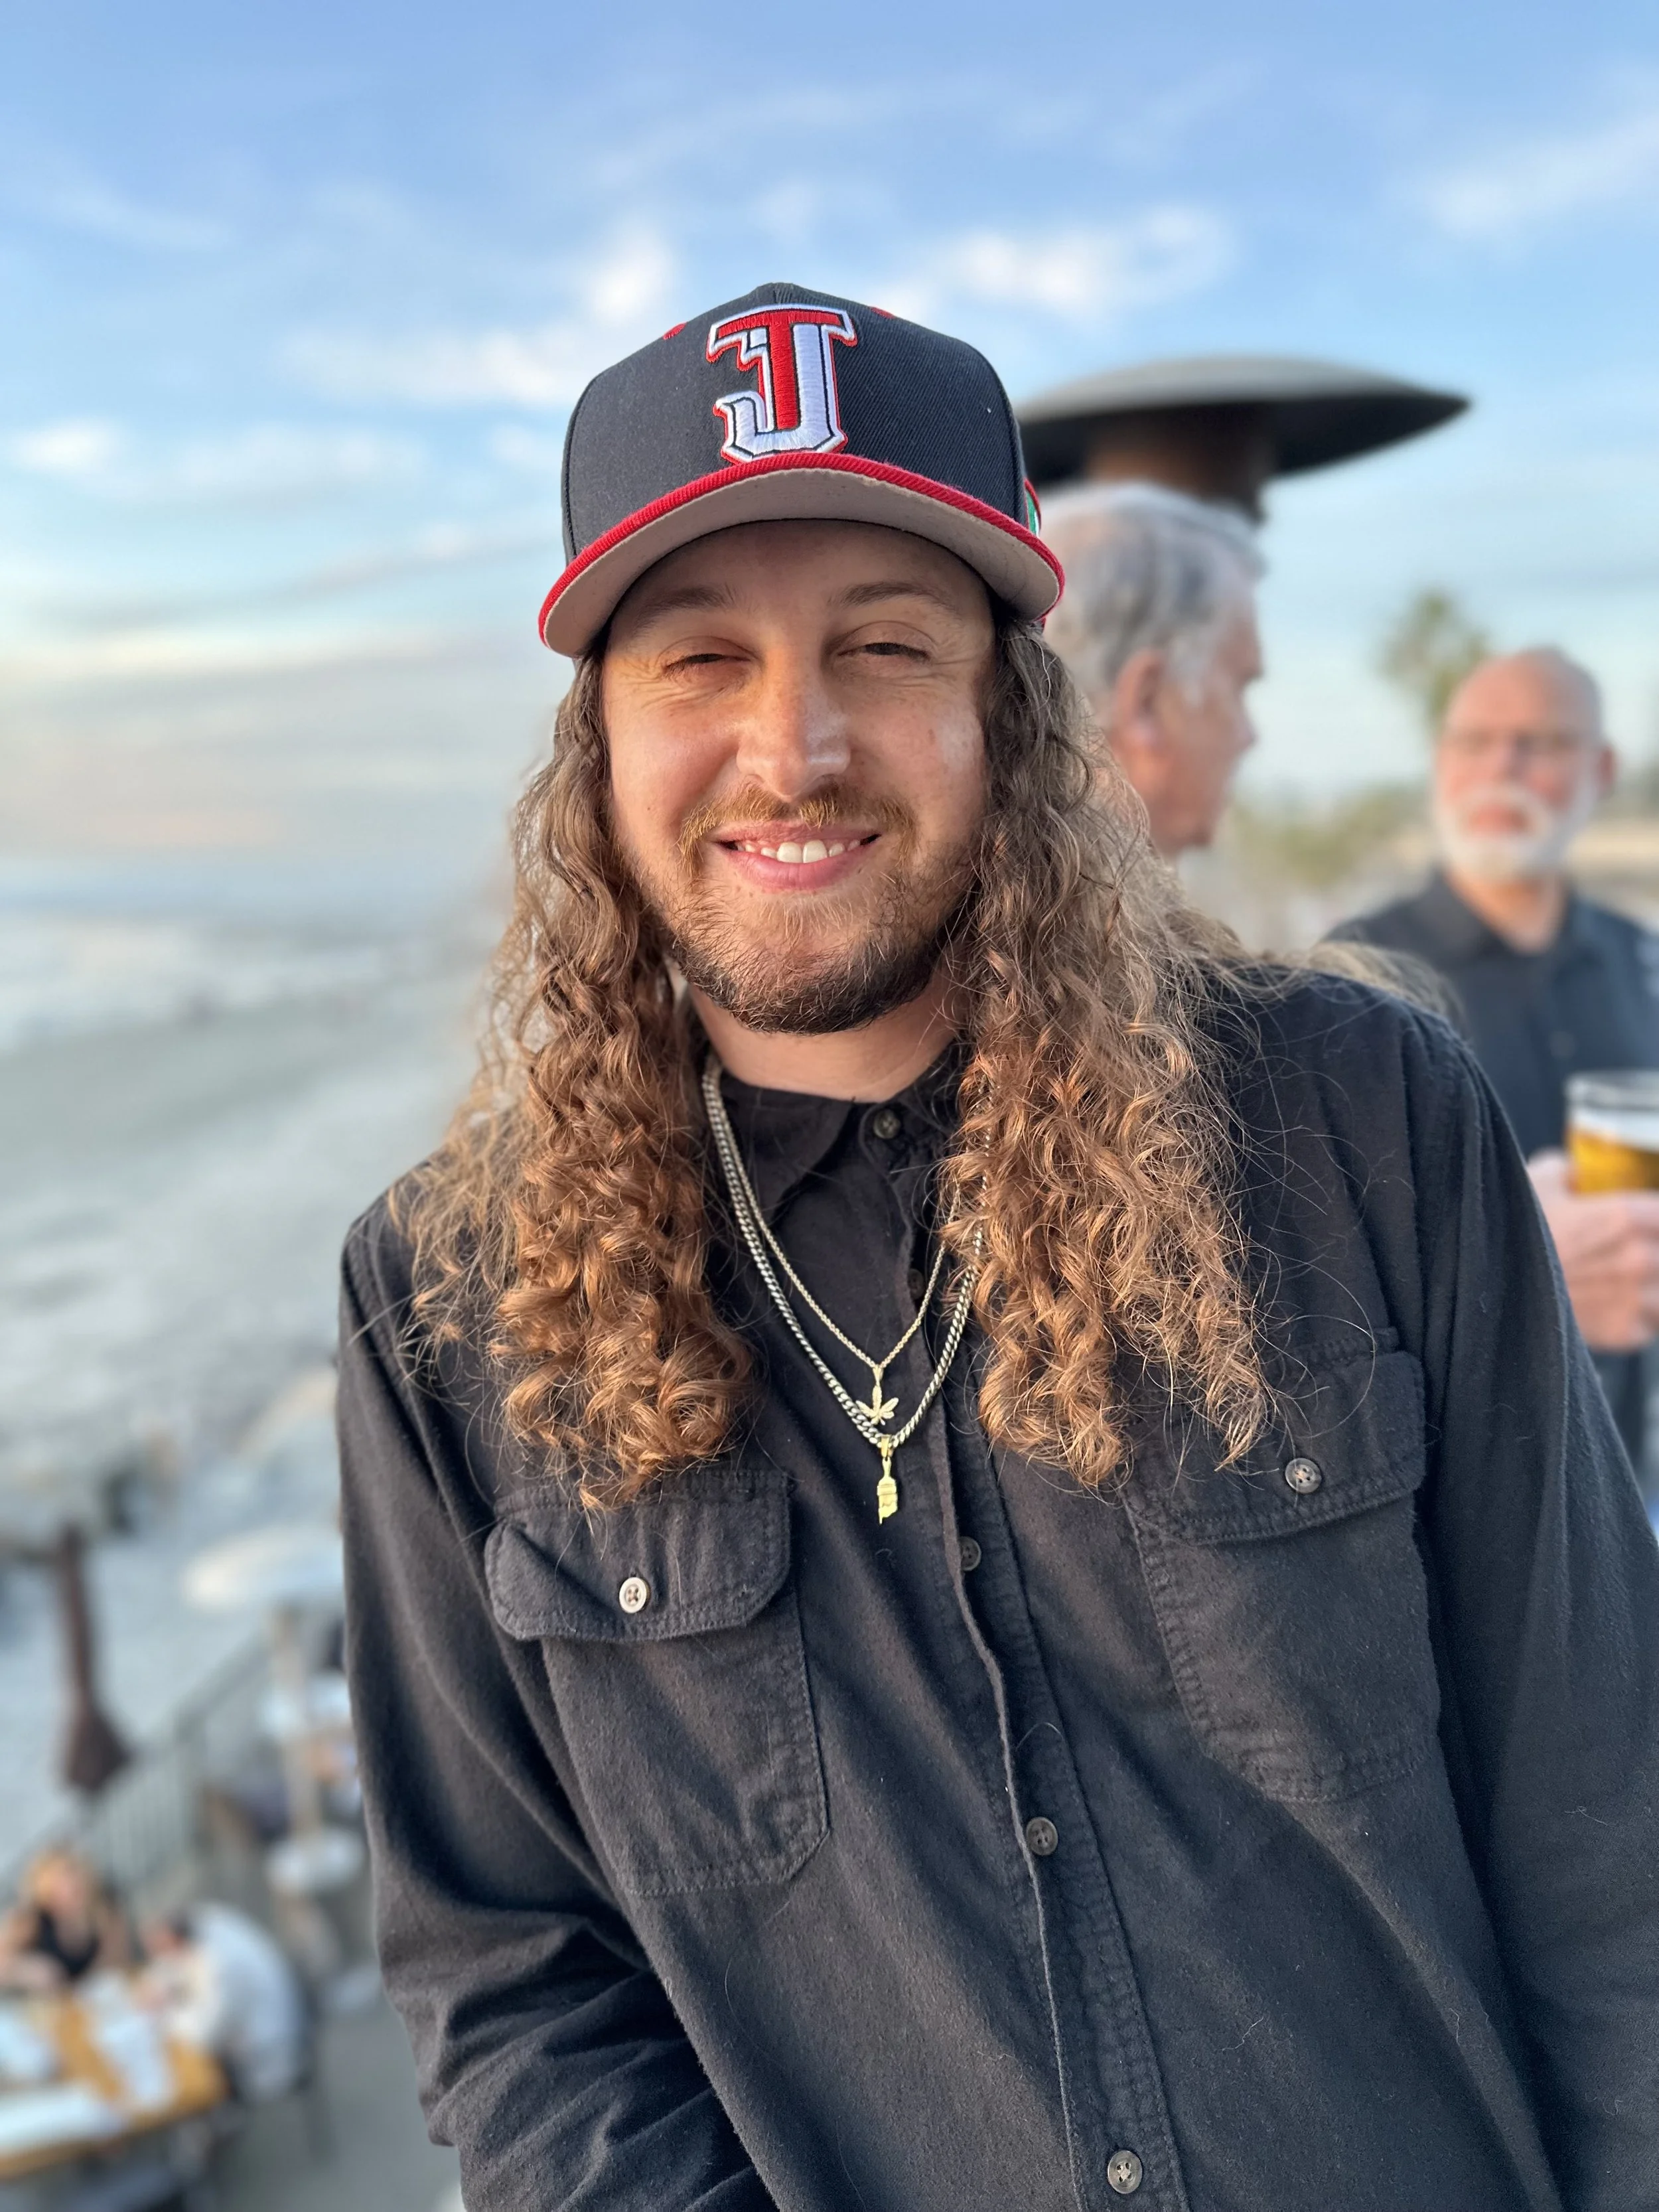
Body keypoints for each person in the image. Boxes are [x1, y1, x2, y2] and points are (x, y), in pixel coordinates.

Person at [338, 282, 1659, 2211]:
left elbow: (1601, 1817)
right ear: (595, 746)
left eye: (877, 644)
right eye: (698, 659)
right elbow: (517, 1985)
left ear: (1001, 704)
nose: (790, 747)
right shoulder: (442, 1314)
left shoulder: (1358, 1118)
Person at [1338, 647, 1659, 1487]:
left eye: (1536, 744)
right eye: (1473, 741)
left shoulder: (1640, 963)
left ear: (1602, 769)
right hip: (1458, 1495)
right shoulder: (1347, 977)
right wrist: (1532, 1290)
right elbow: (1321, 1275)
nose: (1497, 770)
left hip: (1629, 1473)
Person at [1041, 483, 1263, 857]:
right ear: (1144, 701)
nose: (1248, 736)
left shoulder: (992, 892)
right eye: (1238, 688)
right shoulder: (1098, 912)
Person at [139, 1902, 307, 2103]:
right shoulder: (205, 1923)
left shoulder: (223, 1964)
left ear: (175, 1939)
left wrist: (165, 2016)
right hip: (251, 2035)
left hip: (268, 2059)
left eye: (159, 1950)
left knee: (178, 2080)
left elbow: (205, 2036)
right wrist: (158, 1988)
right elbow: (168, 1969)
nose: (158, 1960)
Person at [0, 1848, 129, 1993]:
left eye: (73, 1875)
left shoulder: (104, 1909)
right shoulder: (31, 1919)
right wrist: (24, 1970)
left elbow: (118, 1965)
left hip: (86, 2005)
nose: (70, 1886)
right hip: (35, 2007)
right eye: (59, 1884)